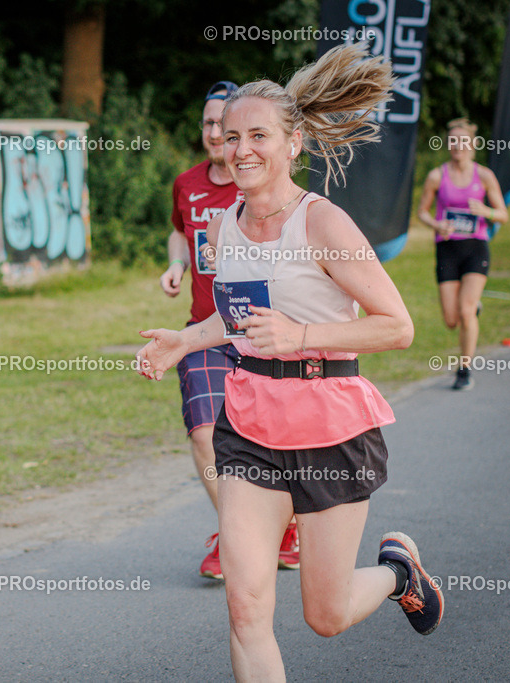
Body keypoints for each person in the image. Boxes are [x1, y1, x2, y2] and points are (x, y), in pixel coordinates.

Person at [136, 44, 444, 681]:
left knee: (324, 616)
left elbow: (399, 326)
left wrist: (301, 333)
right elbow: (241, 316)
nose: (240, 149)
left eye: (258, 136)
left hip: (331, 428)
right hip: (247, 425)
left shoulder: (324, 223)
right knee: (246, 607)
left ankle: (396, 574)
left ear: (293, 142)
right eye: (230, 136)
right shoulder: (222, 227)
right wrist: (189, 340)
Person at [160, 80, 298, 579]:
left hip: (260, 330)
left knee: (267, 440)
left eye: (227, 124)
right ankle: (236, 536)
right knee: (204, 435)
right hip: (205, 327)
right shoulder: (187, 183)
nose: (217, 133)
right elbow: (180, 230)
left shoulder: (254, 182)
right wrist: (176, 265)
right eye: (210, 124)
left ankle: (279, 525)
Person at [417, 118, 508, 390]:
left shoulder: (484, 176)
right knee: (451, 319)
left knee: (465, 311)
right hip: (447, 249)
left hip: (475, 247)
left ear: (473, 144)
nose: (458, 145)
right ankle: (474, 307)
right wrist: (437, 224)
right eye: (453, 141)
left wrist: (486, 212)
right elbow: (422, 211)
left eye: (463, 141)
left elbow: (503, 214)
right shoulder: (437, 176)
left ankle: (464, 370)